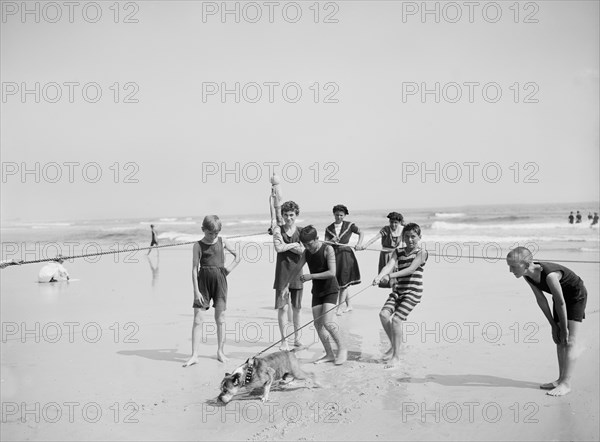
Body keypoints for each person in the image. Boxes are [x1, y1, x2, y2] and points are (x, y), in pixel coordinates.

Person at [506, 247, 588, 396]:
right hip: (560, 300)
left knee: (570, 339)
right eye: (509, 266)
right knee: (559, 340)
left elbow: (561, 302)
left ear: (526, 264)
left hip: (575, 296)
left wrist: (563, 328)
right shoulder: (527, 275)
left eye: (513, 266)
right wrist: (553, 326)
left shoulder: (550, 276)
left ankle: (566, 383)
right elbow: (541, 299)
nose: (510, 270)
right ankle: (560, 379)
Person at [183, 215, 240, 367]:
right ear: (203, 230)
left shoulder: (223, 242)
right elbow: (194, 269)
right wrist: (196, 291)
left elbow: (238, 257)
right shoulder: (198, 246)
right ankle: (194, 355)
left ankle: (220, 351)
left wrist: (227, 270)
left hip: (220, 283)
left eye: (216, 233)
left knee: (220, 319)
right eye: (210, 233)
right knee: (198, 320)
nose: (213, 236)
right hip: (203, 284)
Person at [373, 223, 428, 369]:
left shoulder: (421, 253)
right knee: (384, 315)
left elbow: (410, 270)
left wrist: (390, 276)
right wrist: (380, 276)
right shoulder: (398, 251)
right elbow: (389, 265)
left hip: (413, 292)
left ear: (419, 237)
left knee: (396, 319)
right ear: (403, 237)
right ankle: (394, 345)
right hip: (398, 291)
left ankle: (396, 357)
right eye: (407, 236)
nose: (410, 240)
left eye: (413, 237)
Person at [296, 225, 347, 365]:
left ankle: (342, 350)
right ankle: (329, 354)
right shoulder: (306, 252)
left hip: (330, 288)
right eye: (304, 245)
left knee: (328, 322)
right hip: (317, 291)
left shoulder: (327, 249)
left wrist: (311, 276)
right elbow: (296, 268)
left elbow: (332, 272)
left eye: (310, 244)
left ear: (317, 239)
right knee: (318, 324)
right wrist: (285, 286)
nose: (308, 247)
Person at [269, 196, 305, 351]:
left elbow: (303, 250)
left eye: (291, 215)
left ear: (296, 215)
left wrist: (286, 245)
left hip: (298, 274)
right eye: (286, 215)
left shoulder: (302, 232)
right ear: (282, 215)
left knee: (297, 308)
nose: (289, 218)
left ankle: (297, 339)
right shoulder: (278, 229)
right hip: (282, 274)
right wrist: (293, 245)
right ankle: (284, 341)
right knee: (282, 309)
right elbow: (278, 248)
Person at [324, 204, 364, 315]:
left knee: (344, 283)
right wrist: (332, 240)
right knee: (341, 282)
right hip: (334, 256)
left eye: (341, 215)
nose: (339, 217)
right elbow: (325, 243)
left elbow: (361, 232)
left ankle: (339, 308)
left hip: (346, 255)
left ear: (345, 215)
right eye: (337, 215)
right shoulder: (329, 228)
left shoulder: (350, 225)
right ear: (333, 214)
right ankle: (349, 305)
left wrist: (359, 244)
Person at [357, 212, 405, 288]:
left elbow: (404, 243)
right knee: (387, 276)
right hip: (386, 254)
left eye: (396, 223)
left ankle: (396, 296)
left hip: (396, 254)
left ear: (399, 222)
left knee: (396, 278)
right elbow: (375, 238)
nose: (393, 225)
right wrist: (365, 245)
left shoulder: (402, 229)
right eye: (391, 222)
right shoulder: (386, 229)